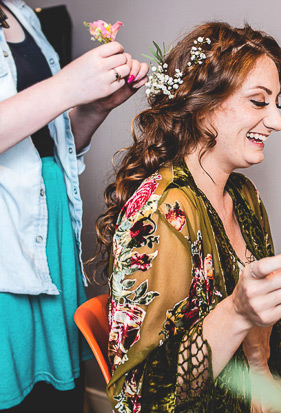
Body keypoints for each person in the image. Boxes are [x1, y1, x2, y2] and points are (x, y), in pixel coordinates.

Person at [94, 21, 281, 413]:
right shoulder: (163, 214)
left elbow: (260, 315)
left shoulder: (243, 196)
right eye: (259, 101)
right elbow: (143, 398)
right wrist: (234, 312)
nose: (277, 121)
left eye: (277, 104)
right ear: (204, 102)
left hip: (250, 392)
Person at [0, 0, 149, 410]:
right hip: (4, 234)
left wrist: (96, 107)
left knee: (56, 395)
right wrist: (66, 85)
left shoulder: (22, 13)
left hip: (51, 225)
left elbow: (49, 145)